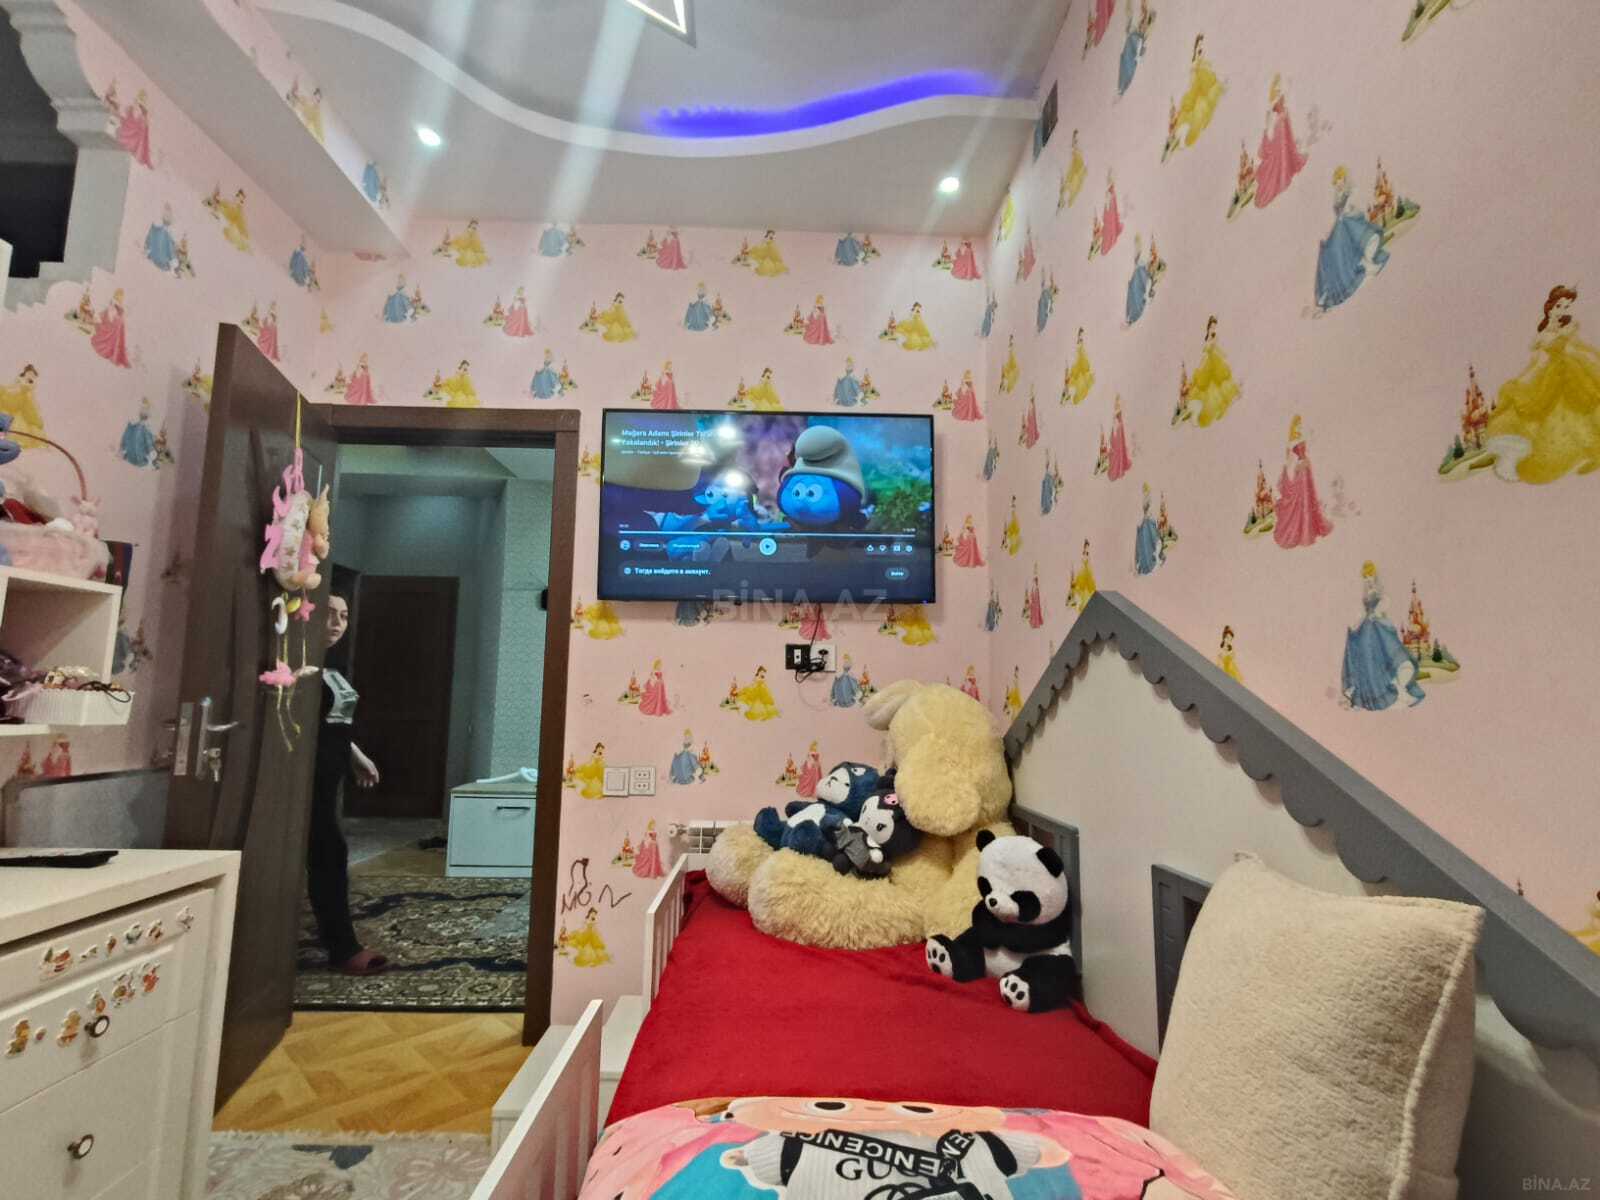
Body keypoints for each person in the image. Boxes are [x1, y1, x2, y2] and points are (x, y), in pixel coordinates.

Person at [308, 584, 387, 975]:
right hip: (306, 778)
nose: (337, 623)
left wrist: (355, 756)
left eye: (343, 616)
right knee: (328, 854)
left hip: (331, 774)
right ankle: (343, 948)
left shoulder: (330, 665)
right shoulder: (300, 666)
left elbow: (333, 725)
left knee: (328, 852)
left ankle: (338, 941)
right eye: (328, 614)